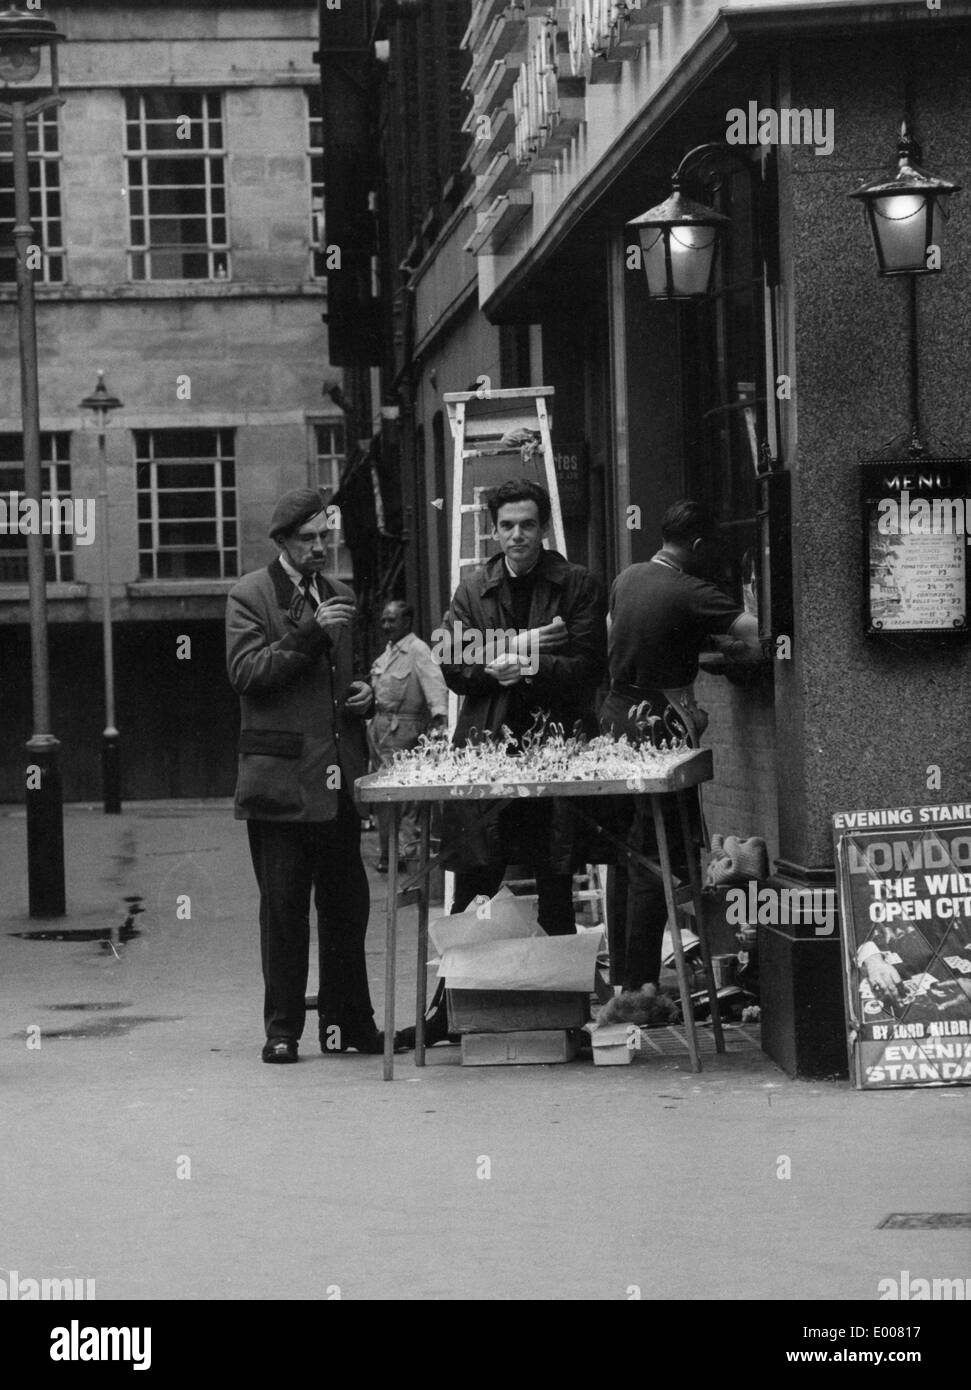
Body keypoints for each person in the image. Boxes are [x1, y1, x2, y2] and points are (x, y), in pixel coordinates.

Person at [403, 478, 607, 1046]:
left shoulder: (578, 585)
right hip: (489, 753)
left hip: (555, 752)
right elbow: (449, 658)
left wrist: (534, 667)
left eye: (527, 525)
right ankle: (453, 1011)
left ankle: (570, 1018)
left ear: (543, 528)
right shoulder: (473, 588)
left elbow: (591, 664)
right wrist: (496, 664)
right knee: (475, 883)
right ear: (493, 530)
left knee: (556, 878)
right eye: (507, 526)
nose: (517, 536)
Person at [226, 487, 389, 1063]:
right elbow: (248, 674)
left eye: (327, 535)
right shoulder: (250, 595)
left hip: (336, 780)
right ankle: (283, 1030)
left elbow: (341, 679)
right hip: (279, 783)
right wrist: (312, 631)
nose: (322, 546)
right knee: (285, 908)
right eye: (310, 538)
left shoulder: (340, 593)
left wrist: (364, 695)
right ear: (283, 543)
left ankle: (348, 1025)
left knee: (347, 908)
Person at [599, 499, 762, 992]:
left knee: (629, 852)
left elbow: (633, 634)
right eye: (710, 547)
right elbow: (760, 633)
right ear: (695, 545)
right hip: (658, 726)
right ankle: (641, 990)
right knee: (660, 852)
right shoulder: (690, 589)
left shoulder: (627, 577)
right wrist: (734, 642)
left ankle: (629, 976)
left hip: (615, 718)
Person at [368, 599, 449, 871]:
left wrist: (439, 721)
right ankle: (389, 852)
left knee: (402, 797)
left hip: (405, 732)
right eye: (384, 620)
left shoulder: (418, 650)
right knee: (383, 796)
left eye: (392, 620)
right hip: (380, 733)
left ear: (407, 622)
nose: (386, 625)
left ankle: (402, 853)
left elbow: (435, 686)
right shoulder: (388, 653)